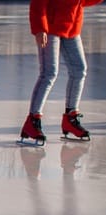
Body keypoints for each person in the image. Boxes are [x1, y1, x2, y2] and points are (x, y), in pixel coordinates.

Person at [20, 0, 102, 145]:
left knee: (79, 70)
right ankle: (33, 120)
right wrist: (40, 28)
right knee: (49, 73)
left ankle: (70, 117)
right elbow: (38, 3)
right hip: (50, 27)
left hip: (71, 26)